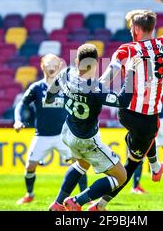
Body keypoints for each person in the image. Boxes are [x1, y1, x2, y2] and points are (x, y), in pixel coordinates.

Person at [90, 0, 163, 211]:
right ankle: (96, 203)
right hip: (149, 118)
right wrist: (162, 0)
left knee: (139, 143)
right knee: (130, 163)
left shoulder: (126, 49)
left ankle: (155, 167)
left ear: (137, 28)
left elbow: (107, 78)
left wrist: (92, 90)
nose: (130, 30)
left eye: (131, 27)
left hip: (126, 113)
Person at [47, 44, 141, 211]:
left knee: (81, 165)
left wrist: (53, 100)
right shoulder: (96, 89)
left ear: (77, 61)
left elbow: (50, 94)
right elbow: (122, 101)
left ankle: (58, 203)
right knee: (121, 176)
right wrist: (131, 73)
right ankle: (77, 201)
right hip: (86, 140)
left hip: (68, 131)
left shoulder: (66, 73)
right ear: (96, 64)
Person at [13, 54, 87, 204]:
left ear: (60, 65)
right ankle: (30, 194)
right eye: (48, 63)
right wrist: (18, 120)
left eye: (54, 63)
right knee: (30, 166)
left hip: (64, 135)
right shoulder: (36, 87)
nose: (51, 66)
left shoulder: (67, 86)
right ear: (42, 66)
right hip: (42, 135)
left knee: (79, 163)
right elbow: (22, 104)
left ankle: (84, 197)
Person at [131, 87, 163, 194]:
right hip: (144, 117)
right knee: (142, 150)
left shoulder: (161, 72)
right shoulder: (139, 74)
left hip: (159, 118)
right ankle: (135, 186)